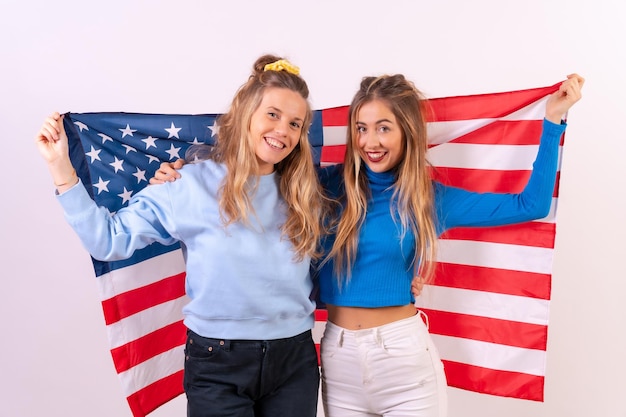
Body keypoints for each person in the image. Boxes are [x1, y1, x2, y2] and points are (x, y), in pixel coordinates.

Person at [151, 73, 585, 417]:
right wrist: (185, 171)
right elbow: (255, 164)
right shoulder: (320, 186)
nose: (370, 141)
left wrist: (552, 120)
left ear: (406, 132)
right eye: (361, 128)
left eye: (383, 128)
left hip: (404, 355)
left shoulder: (427, 198)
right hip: (335, 358)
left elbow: (531, 203)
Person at [35, 55, 328, 417]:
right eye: (272, 114)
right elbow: (108, 240)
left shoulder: (306, 193)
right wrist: (61, 167)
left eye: (295, 123)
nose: (283, 129)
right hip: (218, 364)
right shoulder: (187, 184)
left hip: (294, 361)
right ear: (245, 114)